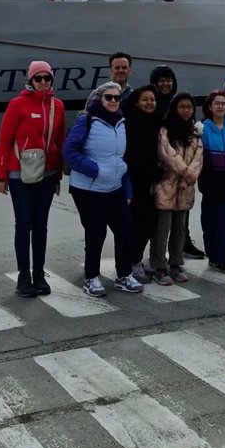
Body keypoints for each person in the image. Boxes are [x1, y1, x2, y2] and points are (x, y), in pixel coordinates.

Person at [64, 82, 144, 295]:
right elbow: (69, 150)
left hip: (114, 188)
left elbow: (121, 160)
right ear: (99, 99)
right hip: (88, 189)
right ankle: (91, 277)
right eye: (109, 97)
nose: (113, 101)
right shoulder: (87, 120)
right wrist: (94, 169)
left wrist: (127, 190)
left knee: (125, 229)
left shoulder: (121, 123)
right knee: (96, 233)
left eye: (117, 98)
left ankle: (124, 275)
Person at [0, 60, 66, 297]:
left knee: (41, 226)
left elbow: (58, 142)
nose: (43, 82)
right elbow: (4, 141)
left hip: (46, 174)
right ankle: (23, 276)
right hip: (19, 174)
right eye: (39, 78)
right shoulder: (18, 105)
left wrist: (57, 176)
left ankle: (39, 274)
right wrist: (1, 176)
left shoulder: (58, 106)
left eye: (48, 78)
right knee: (24, 224)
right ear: (30, 80)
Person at [153, 93, 203, 285]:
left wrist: (190, 175)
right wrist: (186, 172)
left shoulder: (195, 132)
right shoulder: (165, 130)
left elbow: (199, 157)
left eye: (189, 107)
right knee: (162, 229)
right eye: (182, 106)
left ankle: (176, 262)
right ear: (175, 108)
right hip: (167, 184)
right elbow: (167, 154)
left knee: (180, 229)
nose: (186, 110)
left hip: (185, 187)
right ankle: (159, 265)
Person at [122, 85, 162, 283]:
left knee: (148, 222)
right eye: (145, 99)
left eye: (152, 99)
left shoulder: (155, 121)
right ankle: (132, 262)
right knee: (140, 223)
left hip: (149, 183)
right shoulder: (130, 123)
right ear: (136, 102)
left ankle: (133, 259)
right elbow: (133, 155)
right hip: (133, 182)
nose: (149, 103)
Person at [199, 89, 225, 273]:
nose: (220, 106)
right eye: (216, 103)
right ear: (210, 106)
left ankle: (223, 257)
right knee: (210, 221)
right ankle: (213, 255)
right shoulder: (202, 128)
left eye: (223, 103)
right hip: (211, 181)